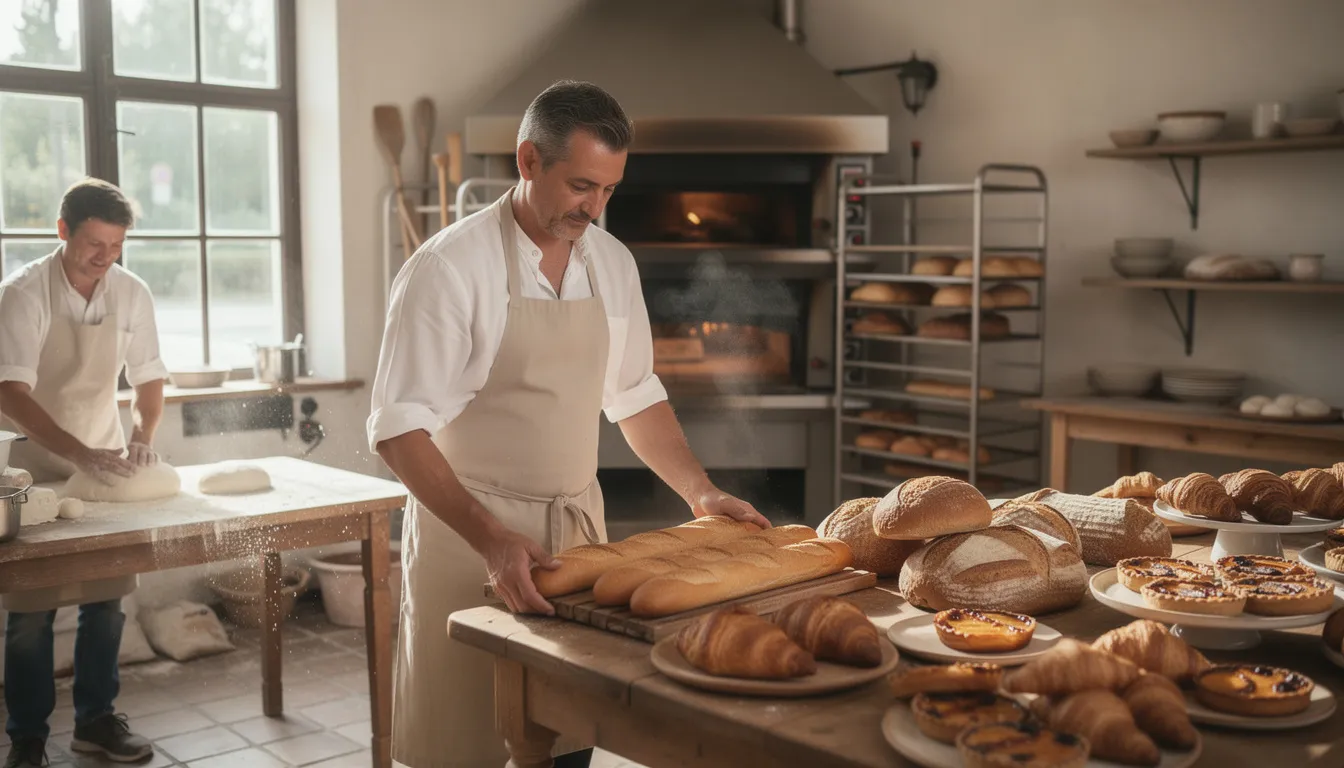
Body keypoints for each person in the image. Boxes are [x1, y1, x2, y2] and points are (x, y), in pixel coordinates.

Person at [369, 80, 771, 767]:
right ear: (529, 160)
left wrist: (699, 491)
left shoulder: (611, 264)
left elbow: (636, 395)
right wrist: (493, 540)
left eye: (610, 189)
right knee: (466, 743)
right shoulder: (447, 267)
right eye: (582, 185)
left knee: (564, 738)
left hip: (575, 546)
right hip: (469, 541)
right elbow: (398, 430)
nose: (596, 207)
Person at [0, 178, 167, 767]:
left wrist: (143, 437)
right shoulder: (23, 294)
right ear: (63, 230)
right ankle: (26, 738)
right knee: (30, 613)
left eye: (116, 245)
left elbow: (149, 380)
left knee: (106, 600)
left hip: (103, 465)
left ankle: (95, 722)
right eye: (94, 243)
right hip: (33, 472)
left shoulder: (132, 292)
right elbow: (11, 393)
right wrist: (76, 453)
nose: (105, 257)